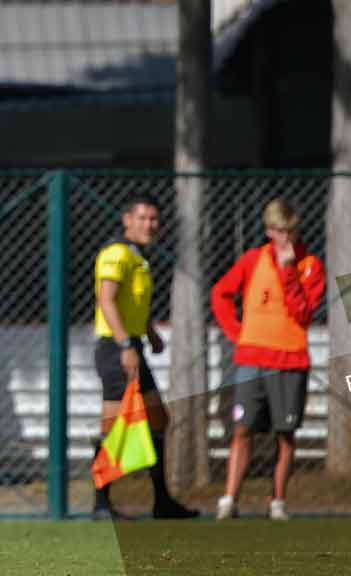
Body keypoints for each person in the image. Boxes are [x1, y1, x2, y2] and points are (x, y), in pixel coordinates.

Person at [210, 198, 325, 521]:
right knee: (242, 429)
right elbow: (220, 294)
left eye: (289, 231)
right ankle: (229, 500)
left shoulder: (310, 266)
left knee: (285, 434)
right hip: (252, 360)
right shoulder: (251, 260)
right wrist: (238, 332)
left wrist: (289, 271)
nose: (283, 238)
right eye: (277, 231)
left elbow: (303, 312)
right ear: (268, 231)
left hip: (290, 362)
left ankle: (277, 502)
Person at [92, 194, 199, 520]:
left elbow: (131, 304)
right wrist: (126, 346)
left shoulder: (138, 257)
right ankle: (100, 504)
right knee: (112, 427)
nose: (150, 224)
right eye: (142, 218)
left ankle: (162, 502)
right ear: (127, 220)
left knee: (157, 420)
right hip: (115, 349)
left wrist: (149, 333)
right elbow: (107, 301)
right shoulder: (116, 253)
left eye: (154, 218)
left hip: (132, 345)